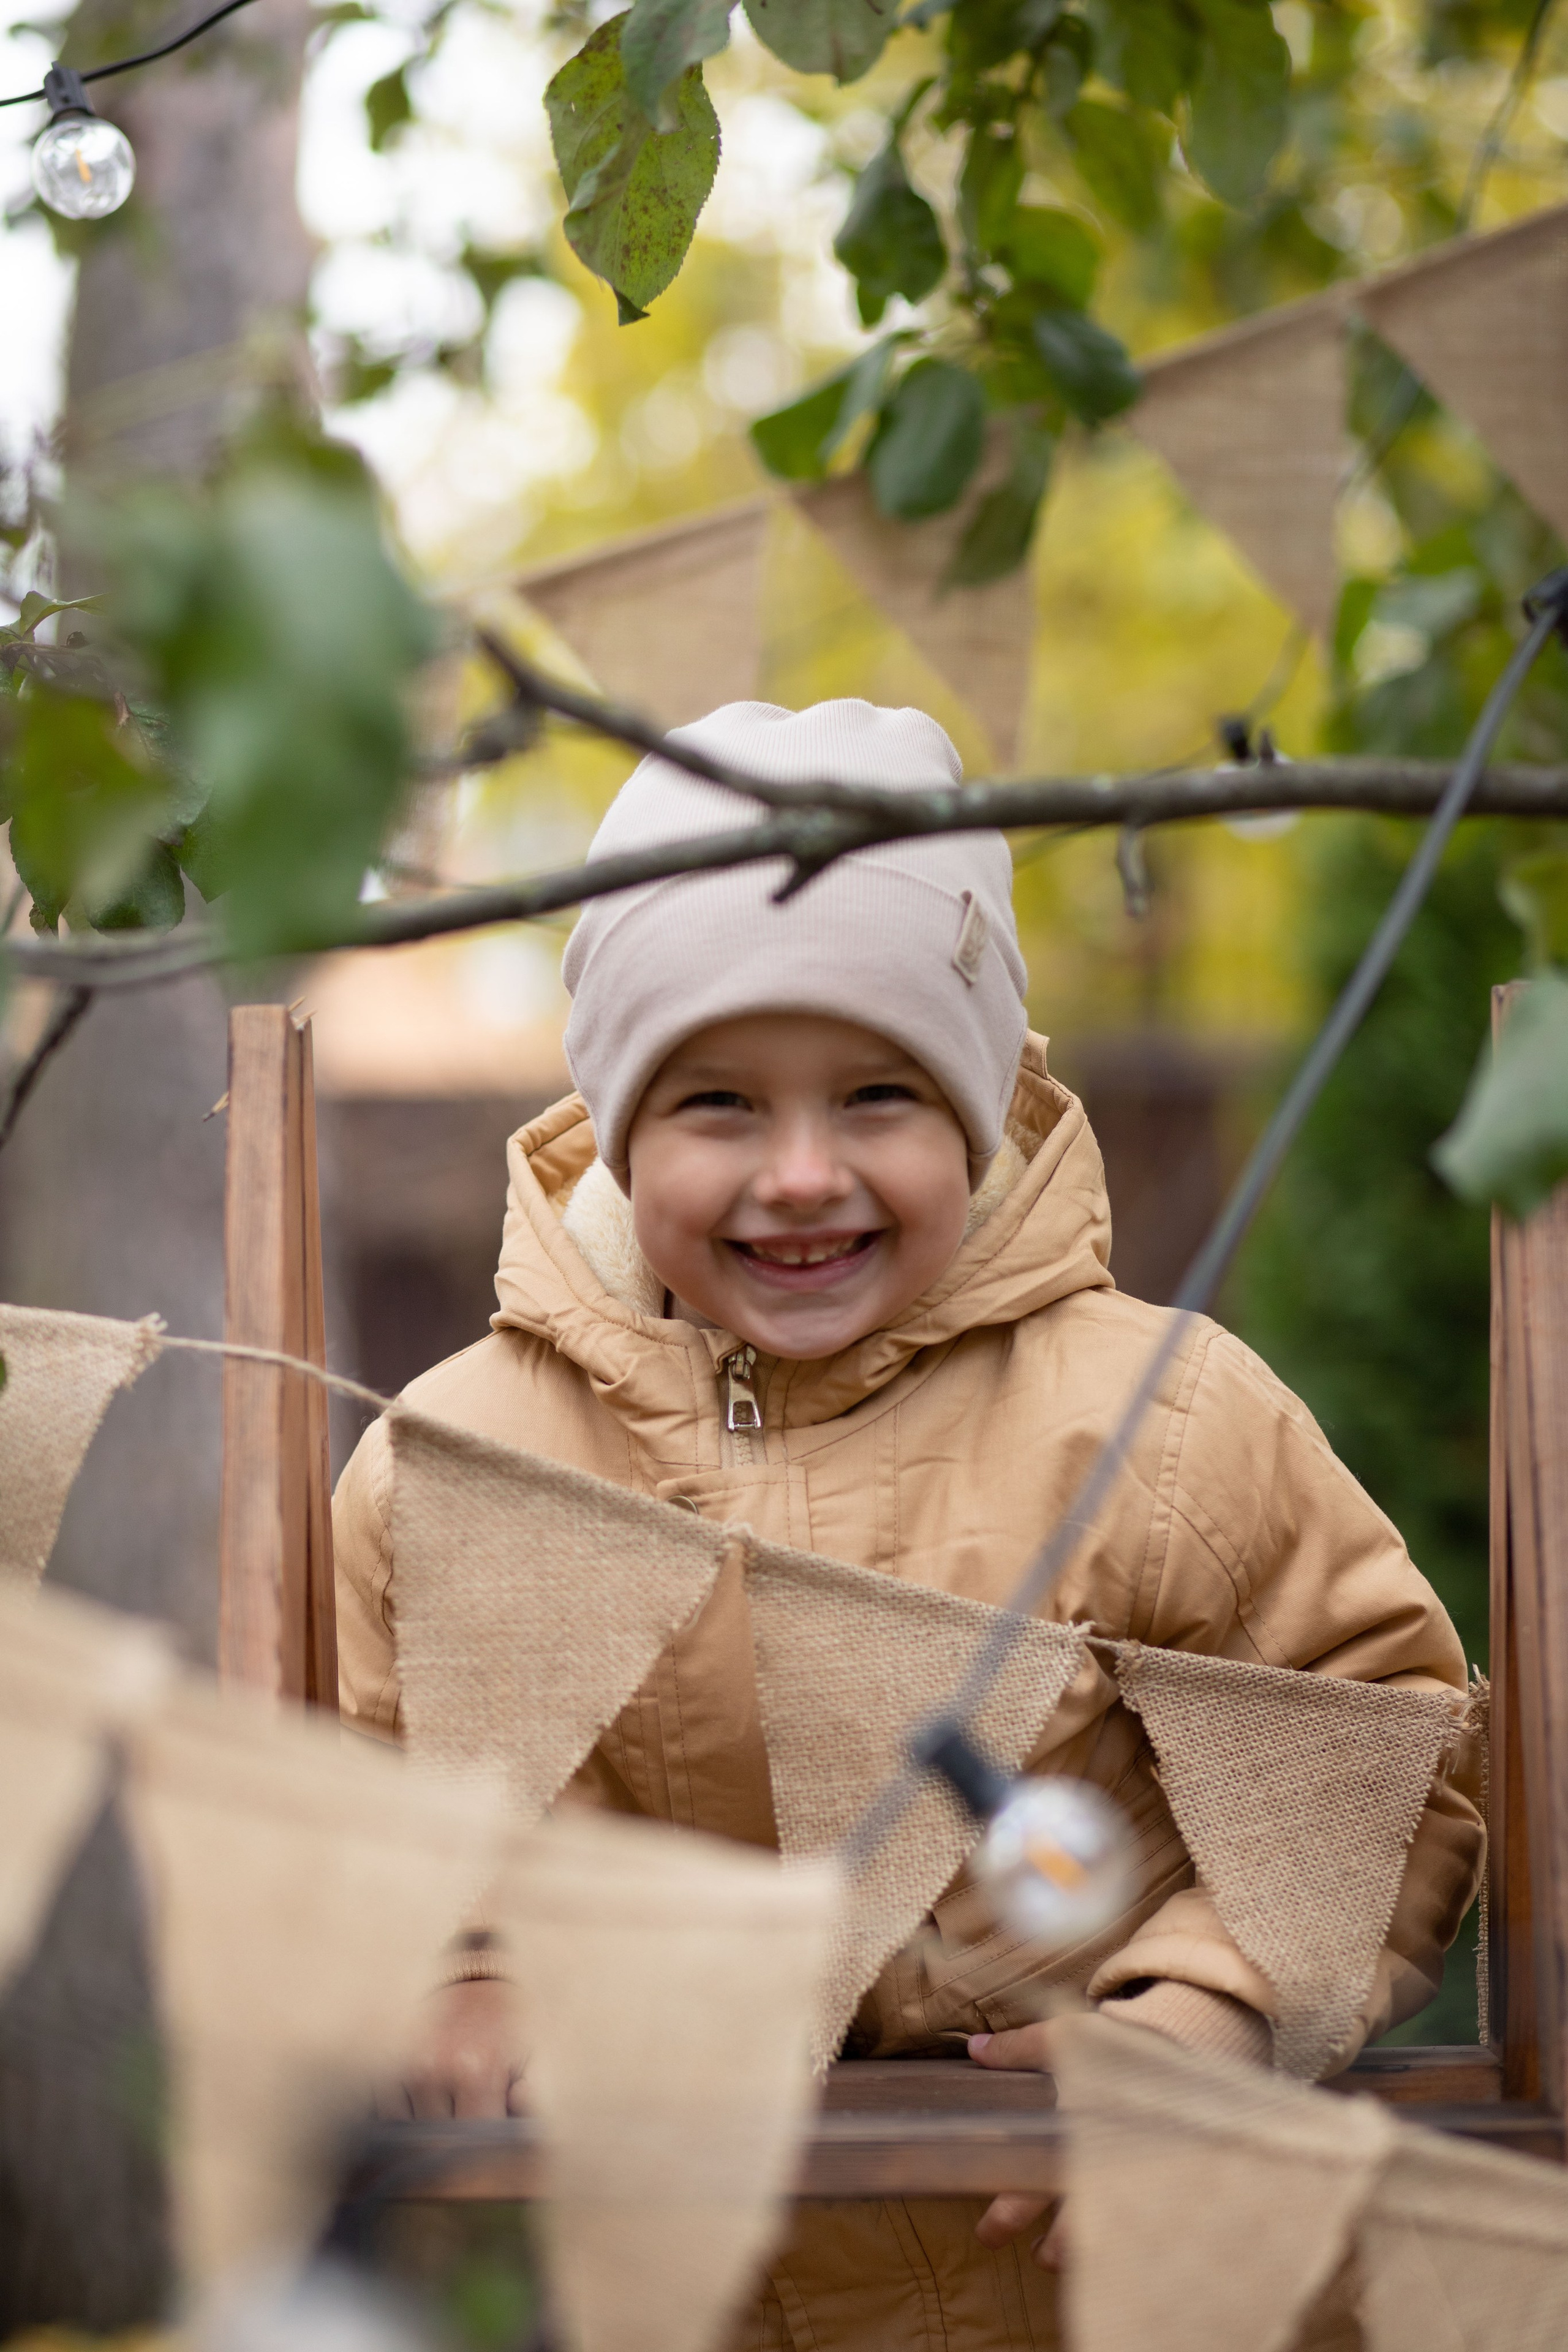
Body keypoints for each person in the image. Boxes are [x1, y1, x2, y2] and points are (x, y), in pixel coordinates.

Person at [333, 699, 1483, 2351]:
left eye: (877, 1094)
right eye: (719, 1105)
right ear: (618, 1124)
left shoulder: (1158, 1416)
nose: (802, 1173)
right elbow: (373, 1793)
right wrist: (456, 1970)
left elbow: (1375, 1759)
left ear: (977, 1110)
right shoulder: (463, 1462)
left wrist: (1212, 2020)